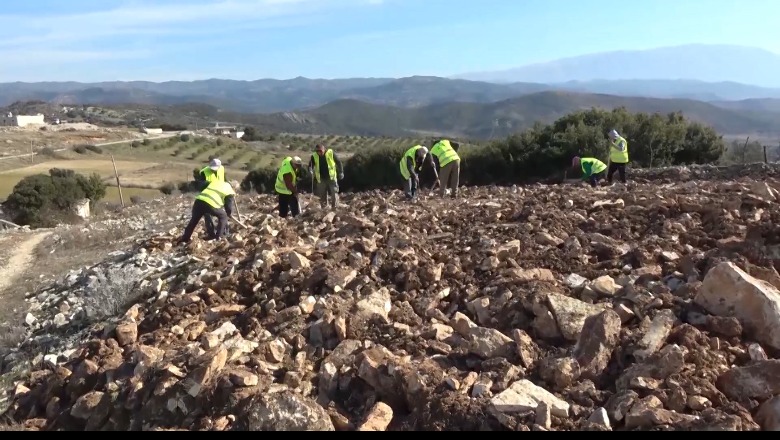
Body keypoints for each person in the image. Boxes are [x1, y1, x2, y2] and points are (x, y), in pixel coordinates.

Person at [308, 144, 344, 208]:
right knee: (322, 195)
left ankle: (334, 208)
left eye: (320, 151)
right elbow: (310, 165)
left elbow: (338, 162)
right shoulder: (314, 156)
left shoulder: (330, 153)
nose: (319, 152)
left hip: (331, 177)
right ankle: (324, 209)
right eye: (317, 151)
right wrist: (310, 170)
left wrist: (341, 172)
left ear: (324, 149)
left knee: (334, 193)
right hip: (321, 179)